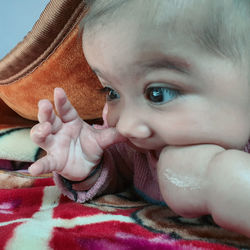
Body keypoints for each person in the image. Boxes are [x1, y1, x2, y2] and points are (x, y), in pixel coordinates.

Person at [28, 0, 250, 237]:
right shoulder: (135, 147)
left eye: (158, 94)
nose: (126, 126)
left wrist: (225, 180)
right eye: (112, 93)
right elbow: (119, 169)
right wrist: (88, 167)